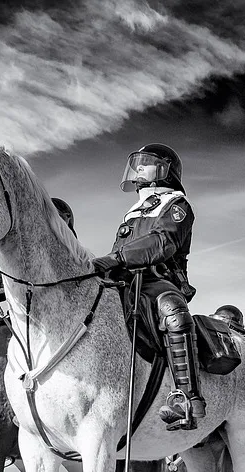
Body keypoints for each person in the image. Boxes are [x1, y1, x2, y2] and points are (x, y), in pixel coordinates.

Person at [91, 143, 202, 430]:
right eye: (136, 163)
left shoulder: (177, 205)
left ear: (165, 170)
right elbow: (120, 250)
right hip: (125, 281)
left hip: (159, 279)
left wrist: (116, 258)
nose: (138, 168)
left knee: (172, 310)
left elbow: (163, 242)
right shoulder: (133, 212)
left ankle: (186, 398)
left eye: (146, 162)